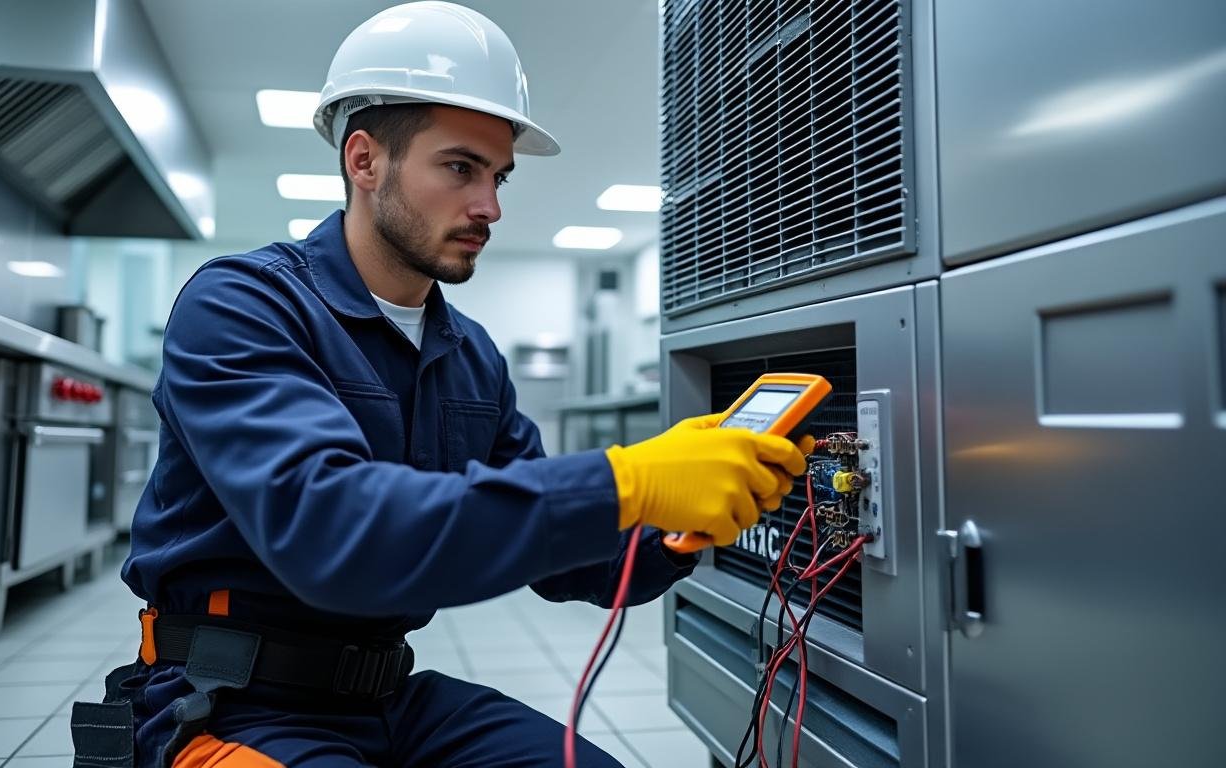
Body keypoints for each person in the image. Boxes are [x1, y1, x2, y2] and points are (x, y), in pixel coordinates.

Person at [75, 3, 807, 766]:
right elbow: (331, 531)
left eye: (498, 176)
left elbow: (568, 565)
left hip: (392, 698)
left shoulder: (470, 357)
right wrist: (626, 480)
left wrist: (682, 526)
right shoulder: (243, 306)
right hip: (231, 704)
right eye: (461, 168)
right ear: (364, 161)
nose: (489, 205)